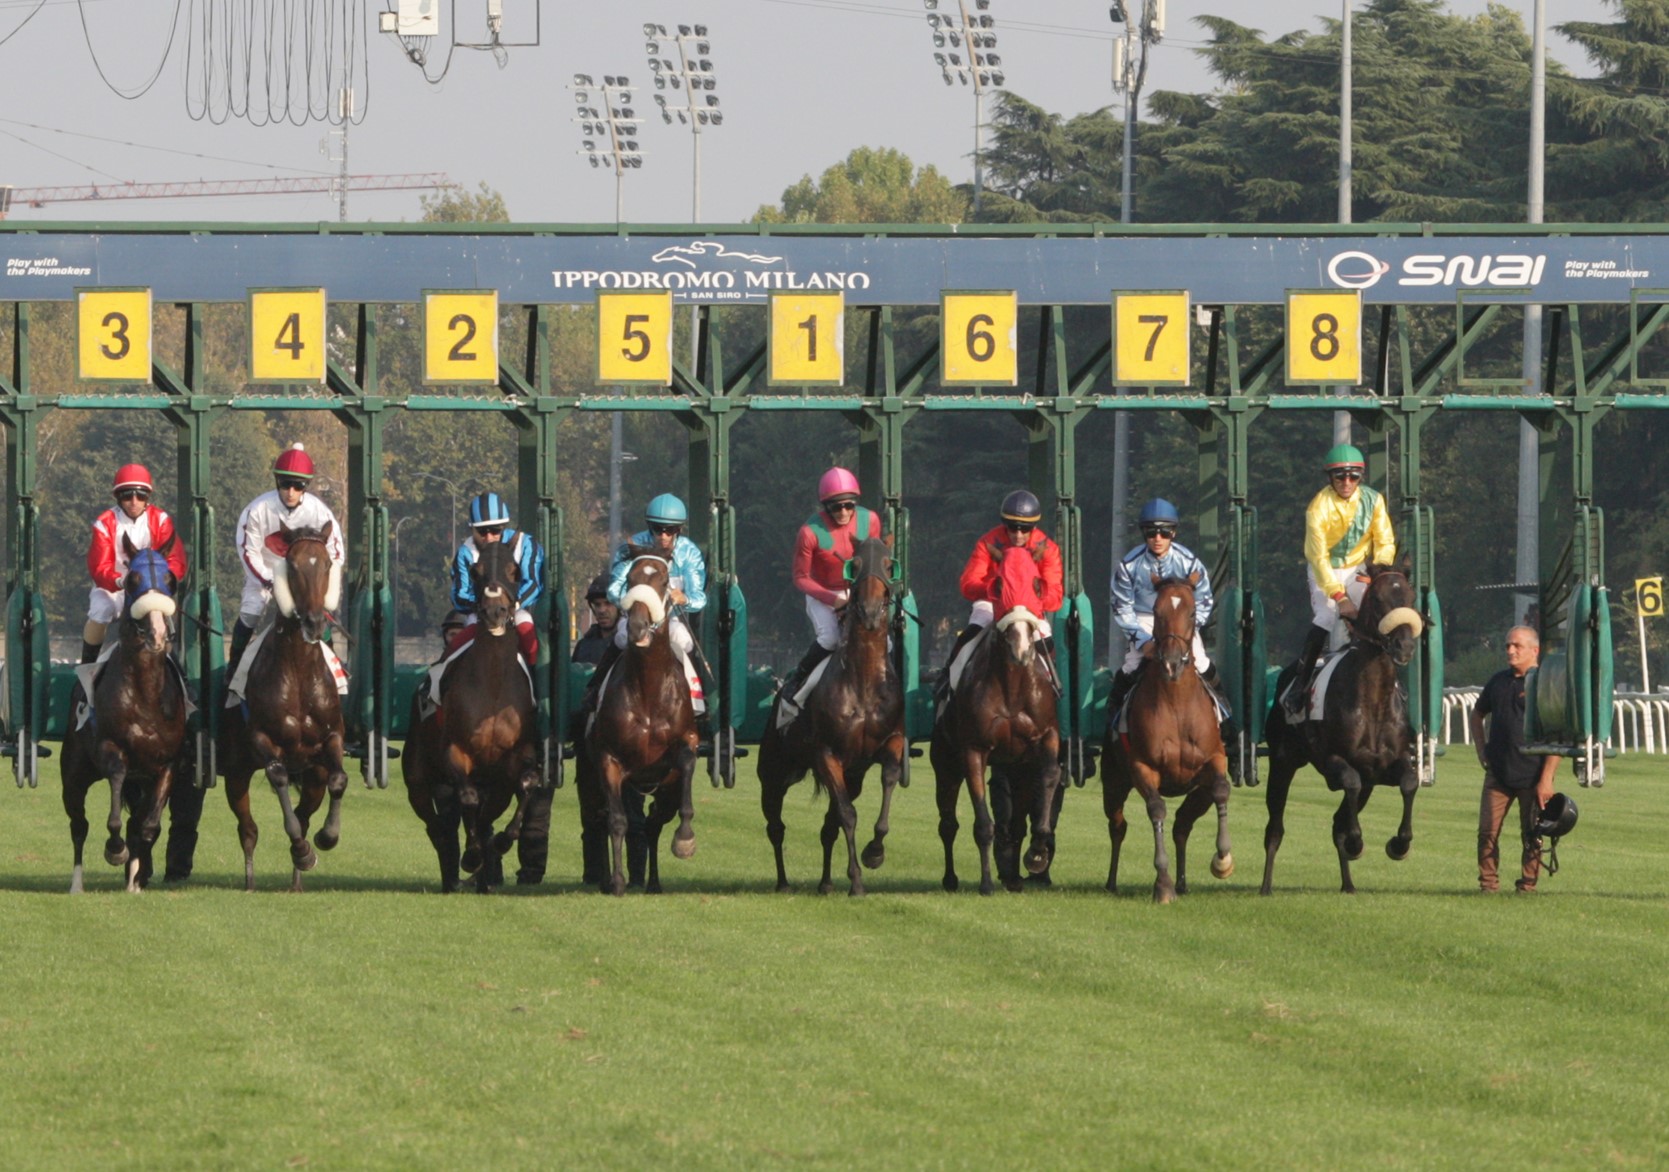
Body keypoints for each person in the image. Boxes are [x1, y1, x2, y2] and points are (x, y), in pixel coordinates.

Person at [1286, 443, 1398, 716]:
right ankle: (1301, 685)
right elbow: (1319, 556)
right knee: (1326, 615)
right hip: (1325, 570)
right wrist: (1339, 596)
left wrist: (1379, 573)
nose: (1347, 483)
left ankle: (1392, 680)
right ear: (1330, 478)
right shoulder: (1318, 508)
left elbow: (1384, 541)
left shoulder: (1374, 500)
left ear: (1360, 477)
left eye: (1353, 477)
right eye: (1340, 477)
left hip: (1359, 568)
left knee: (1379, 610)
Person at [228, 443, 345, 682]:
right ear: (277, 482)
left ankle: (335, 673)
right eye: (284, 484)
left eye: (298, 485)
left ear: (305, 487)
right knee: (250, 614)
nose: (290, 491)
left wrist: (318, 585)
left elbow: (336, 554)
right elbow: (248, 552)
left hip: (306, 579)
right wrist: (270, 581)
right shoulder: (258, 510)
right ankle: (234, 672)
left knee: (319, 614)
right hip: (264, 576)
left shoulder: (320, 512)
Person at [586, 493, 711, 706]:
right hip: (635, 616)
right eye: (657, 528)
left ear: (678, 530)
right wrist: (635, 600)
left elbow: (700, 597)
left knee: (683, 637)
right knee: (622, 636)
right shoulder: (631, 546)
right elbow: (614, 590)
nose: (663, 535)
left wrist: (685, 599)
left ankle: (697, 698)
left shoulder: (689, 552)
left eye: (669, 530)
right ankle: (596, 689)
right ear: (649, 527)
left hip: (667, 621)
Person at [938, 489, 1064, 695]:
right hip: (992, 601)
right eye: (1013, 528)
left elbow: (1055, 596)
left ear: (1034, 527)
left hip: (1030, 607)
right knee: (971, 634)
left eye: (1025, 529)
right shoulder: (987, 543)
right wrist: (993, 590)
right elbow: (968, 583)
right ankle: (949, 683)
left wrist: (1032, 597)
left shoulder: (1047, 549)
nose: (1018, 534)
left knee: (1046, 640)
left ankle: (1051, 688)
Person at [778, 466, 883, 710]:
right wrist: (833, 600)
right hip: (823, 593)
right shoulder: (809, 532)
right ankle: (796, 683)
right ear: (826, 507)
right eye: (836, 507)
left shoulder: (871, 521)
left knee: (882, 642)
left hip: (858, 591)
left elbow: (875, 563)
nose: (844, 512)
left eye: (849, 505)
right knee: (831, 638)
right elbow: (801, 578)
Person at [1468, 626, 1562, 893]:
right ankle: (1488, 884)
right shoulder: (1498, 681)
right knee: (1487, 832)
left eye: (1517, 646)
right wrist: (1481, 750)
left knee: (1532, 834)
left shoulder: (1546, 685)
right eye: (1508, 645)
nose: (1510, 650)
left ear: (1535, 650)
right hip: (1498, 772)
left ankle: (1528, 885)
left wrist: (1546, 780)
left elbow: (1556, 737)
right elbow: (1477, 715)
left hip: (1533, 776)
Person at [1106, 498, 1218, 716]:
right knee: (1132, 663)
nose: (1158, 538)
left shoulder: (1189, 562)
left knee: (1202, 661)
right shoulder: (1129, 565)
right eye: (1151, 533)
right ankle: (1114, 715)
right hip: (1144, 618)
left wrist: (1189, 629)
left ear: (1173, 533)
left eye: (1164, 533)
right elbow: (1121, 607)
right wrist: (1142, 640)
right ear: (1143, 533)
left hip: (1183, 621)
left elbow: (1204, 601)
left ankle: (1224, 713)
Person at [83, 463, 189, 664]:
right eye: (127, 496)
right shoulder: (104, 523)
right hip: (114, 587)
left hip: (150, 587)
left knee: (164, 614)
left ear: (147, 498)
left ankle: (176, 671)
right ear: (118, 498)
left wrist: (163, 582)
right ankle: (87, 667)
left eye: (140, 496)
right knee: (101, 609)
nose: (133, 502)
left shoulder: (161, 519)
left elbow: (175, 559)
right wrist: (123, 581)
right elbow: (99, 567)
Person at [446, 491, 546, 665]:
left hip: (517, 610)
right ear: (472, 529)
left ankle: (538, 686)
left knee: (529, 641)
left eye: (495, 530)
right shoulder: (465, 553)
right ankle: (434, 683)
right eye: (482, 531)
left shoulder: (525, 545)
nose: (489, 537)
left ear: (504, 526)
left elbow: (533, 583)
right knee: (454, 647)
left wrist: (513, 604)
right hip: (479, 614)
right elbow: (459, 594)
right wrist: (481, 605)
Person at [571, 573, 621, 666]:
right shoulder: (583, 646)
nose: (602, 610)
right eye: (597, 605)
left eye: (608, 603)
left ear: (620, 607)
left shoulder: (627, 645)